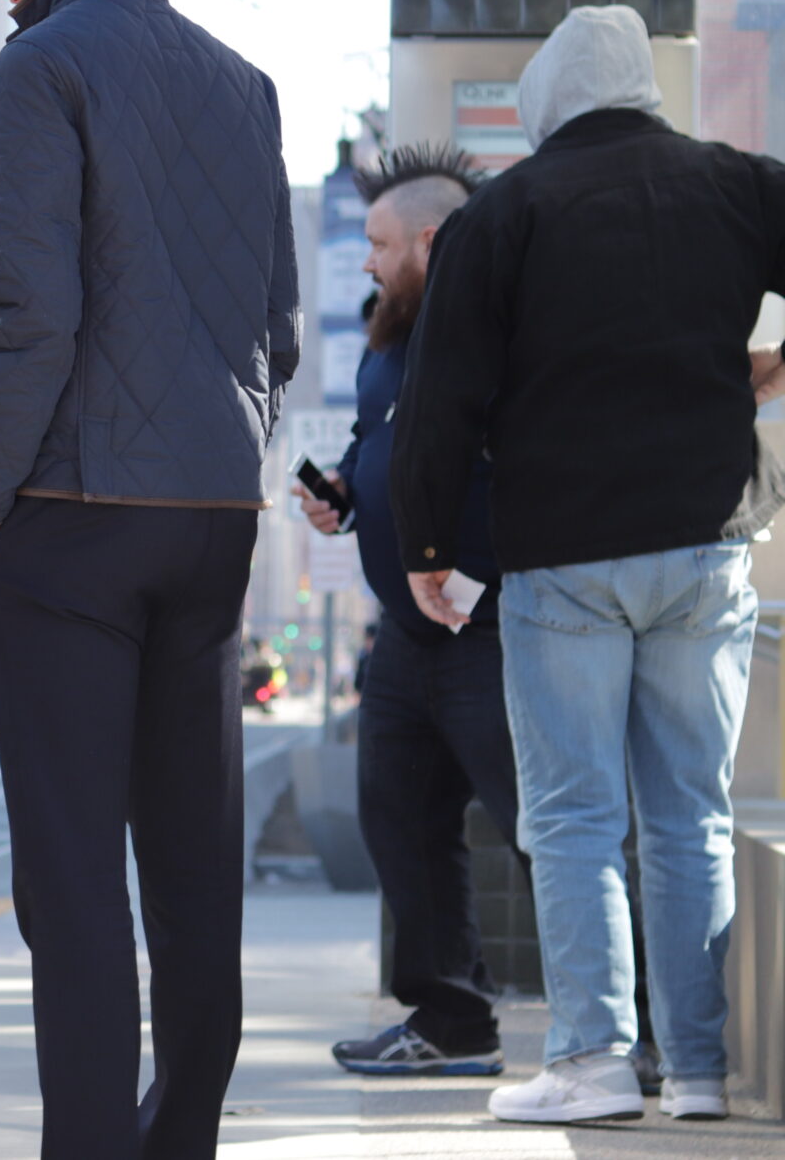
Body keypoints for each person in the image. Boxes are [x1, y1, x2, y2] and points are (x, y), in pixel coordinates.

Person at [0, 0, 297, 1160]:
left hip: (71, 517)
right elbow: (279, 328)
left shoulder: (39, 66)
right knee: (192, 855)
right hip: (210, 519)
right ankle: (176, 1134)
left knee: (75, 877)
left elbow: (34, 311)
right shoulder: (243, 82)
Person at [393, 4, 785, 1126]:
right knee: (688, 818)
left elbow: (441, 400)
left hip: (563, 558)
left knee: (570, 818)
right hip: (706, 546)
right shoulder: (741, 186)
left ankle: (595, 1060)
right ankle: (700, 1070)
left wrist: (429, 547)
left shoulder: (504, 213)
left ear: (545, 101)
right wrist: (768, 366)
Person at [296, 144, 520, 1077]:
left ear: (432, 240)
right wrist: (346, 491)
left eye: (382, 242)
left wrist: (472, 573)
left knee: (541, 829)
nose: (368, 259)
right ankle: (450, 1020)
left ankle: (634, 1034)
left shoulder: (506, 334)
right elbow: (374, 440)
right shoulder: (387, 336)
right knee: (399, 817)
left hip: (489, 632)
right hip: (404, 637)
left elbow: (527, 470)